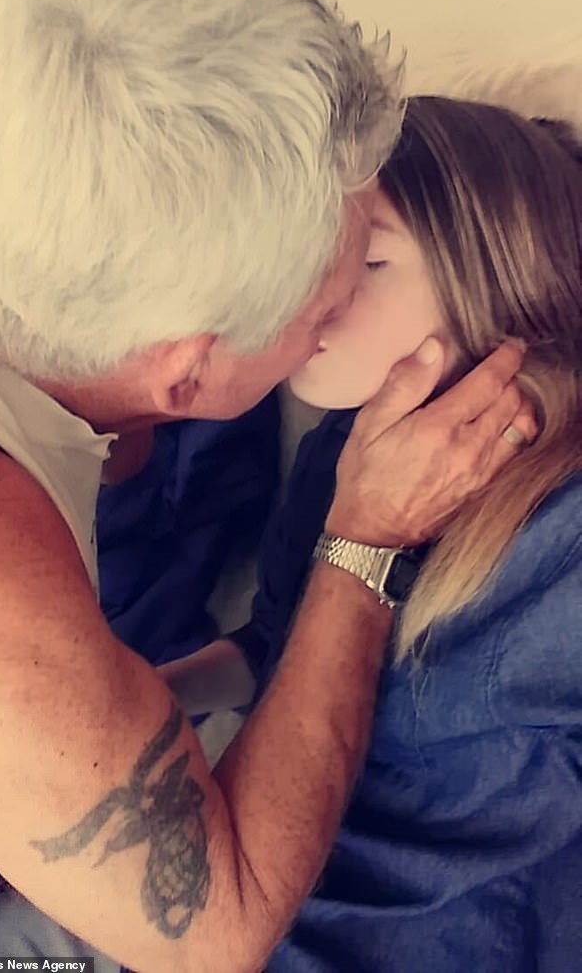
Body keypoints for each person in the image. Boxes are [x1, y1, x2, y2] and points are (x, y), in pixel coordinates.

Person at [0, 0, 532, 970]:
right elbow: (218, 931)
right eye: (335, 287)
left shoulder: (35, 317)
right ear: (186, 376)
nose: (336, 316)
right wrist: (362, 542)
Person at [162, 95, 582, 970]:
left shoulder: (563, 533)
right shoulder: (339, 449)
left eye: (366, 261)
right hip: (239, 893)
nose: (305, 299)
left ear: (493, 280)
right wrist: (135, 698)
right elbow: (279, 643)